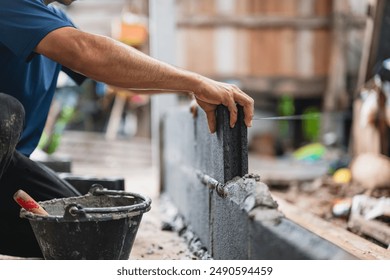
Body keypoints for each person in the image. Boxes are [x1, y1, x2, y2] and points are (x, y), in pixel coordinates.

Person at [0, 0, 254, 257]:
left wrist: (191, 89)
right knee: (5, 111)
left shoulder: (52, 19)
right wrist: (196, 82)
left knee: (88, 237)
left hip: (7, 167)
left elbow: (113, 72)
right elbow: (86, 51)